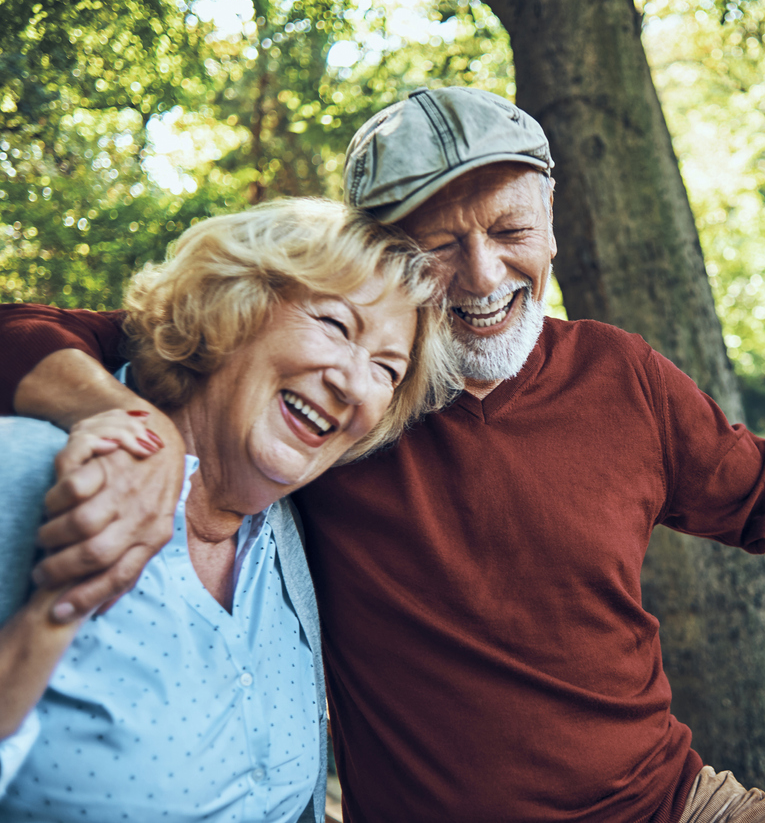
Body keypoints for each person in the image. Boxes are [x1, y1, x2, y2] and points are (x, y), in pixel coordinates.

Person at [0, 87, 765, 823]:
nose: (480, 275)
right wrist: (109, 416)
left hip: (681, 805)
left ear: (551, 222)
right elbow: (55, 333)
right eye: (437, 243)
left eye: (510, 230)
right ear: (380, 262)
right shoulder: (324, 405)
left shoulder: (623, 377)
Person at [0, 197, 455, 822]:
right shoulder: (28, 472)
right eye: (335, 324)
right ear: (233, 307)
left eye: (386, 368)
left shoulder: (292, 541)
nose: (354, 383)